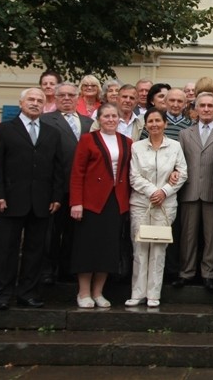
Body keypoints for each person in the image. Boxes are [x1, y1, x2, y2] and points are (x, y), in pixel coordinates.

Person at [0, 88, 63, 310]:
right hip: (11, 200)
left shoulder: (51, 133)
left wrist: (57, 196)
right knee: (7, 250)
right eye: (31, 99)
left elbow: (58, 168)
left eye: (39, 101)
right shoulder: (4, 130)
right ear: (21, 103)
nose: (35, 103)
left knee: (35, 251)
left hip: (41, 202)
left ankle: (27, 293)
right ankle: (1, 294)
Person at [68, 103, 132, 308]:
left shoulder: (127, 141)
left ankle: (98, 292)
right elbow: (77, 172)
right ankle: (84, 292)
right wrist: (76, 202)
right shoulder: (88, 140)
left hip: (116, 201)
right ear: (99, 119)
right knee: (87, 247)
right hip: (91, 201)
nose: (111, 119)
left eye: (114, 116)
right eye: (107, 116)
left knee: (108, 248)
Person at [126, 108, 188, 308]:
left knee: (159, 249)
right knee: (140, 248)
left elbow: (183, 173)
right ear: (146, 125)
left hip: (165, 205)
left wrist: (165, 191)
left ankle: (153, 294)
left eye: (158, 121)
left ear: (165, 124)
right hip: (141, 203)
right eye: (150, 121)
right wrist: (153, 191)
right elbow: (134, 176)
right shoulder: (137, 147)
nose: (154, 124)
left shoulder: (175, 146)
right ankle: (137, 293)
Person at [39, 82, 94, 284]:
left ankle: (67, 268)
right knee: (51, 232)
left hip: (81, 189)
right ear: (55, 96)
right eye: (62, 95)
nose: (66, 99)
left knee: (75, 232)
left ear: (77, 96)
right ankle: (47, 270)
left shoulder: (89, 123)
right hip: (56, 187)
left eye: (71, 95)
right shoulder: (45, 120)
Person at [176, 92, 213, 291]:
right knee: (188, 235)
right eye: (202, 105)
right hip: (190, 190)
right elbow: (179, 162)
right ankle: (186, 272)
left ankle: (208, 273)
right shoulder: (185, 134)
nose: (206, 109)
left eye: (210, 105)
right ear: (196, 109)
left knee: (211, 236)